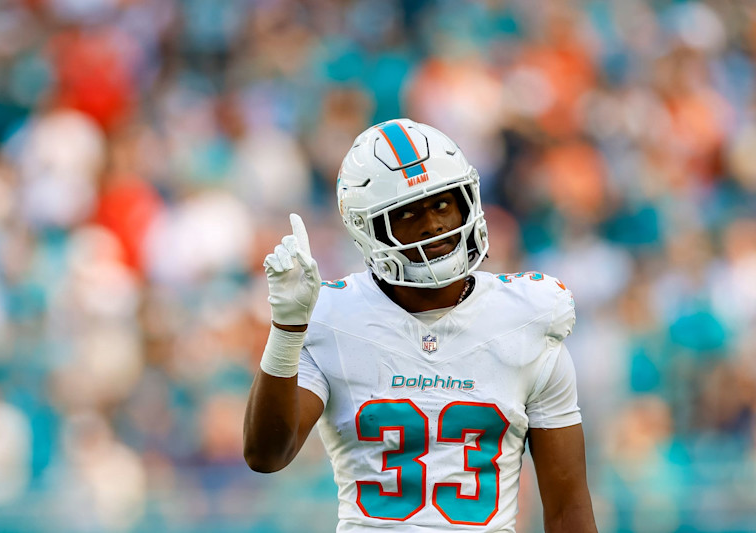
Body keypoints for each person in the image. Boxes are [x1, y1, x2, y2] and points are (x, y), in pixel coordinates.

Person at [243, 118, 597, 532]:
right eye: (407, 213)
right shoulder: (332, 316)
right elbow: (266, 455)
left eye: (443, 203)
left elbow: (567, 510)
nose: (433, 224)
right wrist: (287, 328)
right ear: (370, 230)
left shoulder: (528, 316)